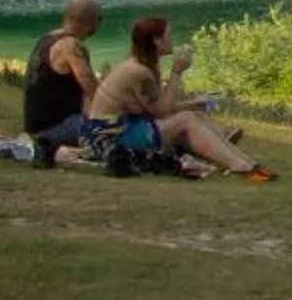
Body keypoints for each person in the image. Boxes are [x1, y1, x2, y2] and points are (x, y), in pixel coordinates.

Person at [87, 15, 273, 181]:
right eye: (168, 35)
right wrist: (177, 72)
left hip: (123, 128)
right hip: (109, 136)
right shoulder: (138, 71)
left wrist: (192, 104)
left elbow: (155, 108)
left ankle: (246, 163)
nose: (172, 39)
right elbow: (162, 112)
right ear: (156, 40)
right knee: (186, 120)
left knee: (195, 116)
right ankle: (240, 166)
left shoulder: (144, 65)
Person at [20, 0, 106, 155]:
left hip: (35, 125)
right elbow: (91, 89)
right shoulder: (71, 46)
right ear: (90, 21)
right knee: (115, 129)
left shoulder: (48, 39)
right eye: (98, 20)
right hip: (55, 127)